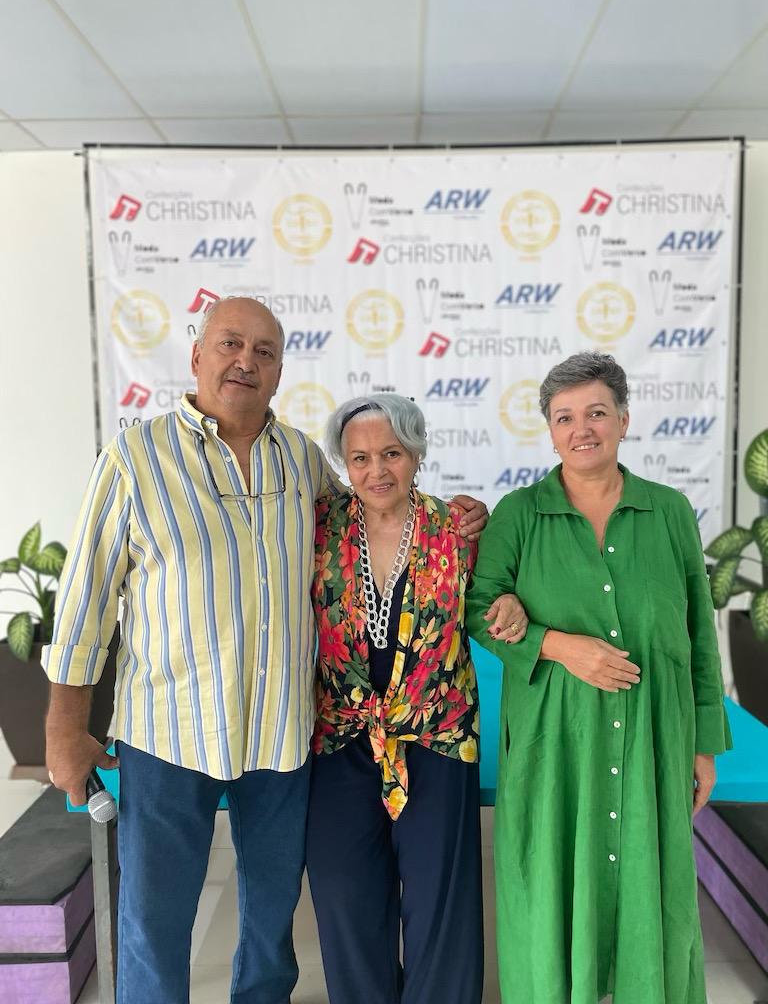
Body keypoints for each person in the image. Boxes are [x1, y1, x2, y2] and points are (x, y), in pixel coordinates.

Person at [43, 298, 488, 1004]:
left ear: (279, 372)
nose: (245, 362)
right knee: (154, 924)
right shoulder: (135, 458)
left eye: (264, 351)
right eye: (230, 344)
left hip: (281, 739)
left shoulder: (302, 460)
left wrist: (461, 520)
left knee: (269, 931)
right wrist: (65, 731)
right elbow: (84, 601)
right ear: (197, 355)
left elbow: (376, 515)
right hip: (169, 733)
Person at [466, 352, 732, 1004]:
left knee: (653, 887)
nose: (581, 428)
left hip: (653, 736)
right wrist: (557, 646)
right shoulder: (519, 514)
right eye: (564, 417)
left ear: (623, 420)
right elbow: (477, 608)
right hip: (557, 740)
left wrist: (703, 744)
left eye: (595, 412)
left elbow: (698, 633)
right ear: (549, 430)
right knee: (554, 886)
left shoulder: (669, 511)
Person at [305, 394, 526, 1004]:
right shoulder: (317, 526)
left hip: (436, 736)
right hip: (341, 736)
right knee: (345, 896)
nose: (377, 470)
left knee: (438, 902)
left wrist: (511, 601)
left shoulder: (457, 529)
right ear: (344, 464)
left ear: (417, 455)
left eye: (392, 454)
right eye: (360, 458)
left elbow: (501, 592)